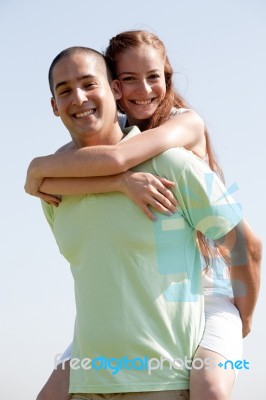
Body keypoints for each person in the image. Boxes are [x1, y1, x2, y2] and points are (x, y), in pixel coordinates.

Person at [25, 39, 261, 400]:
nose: (143, 89)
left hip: (209, 294)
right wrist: (41, 171)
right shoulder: (57, 187)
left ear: (110, 90)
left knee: (210, 387)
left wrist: (244, 317)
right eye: (65, 91)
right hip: (103, 360)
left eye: (90, 84)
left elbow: (248, 248)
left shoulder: (177, 145)